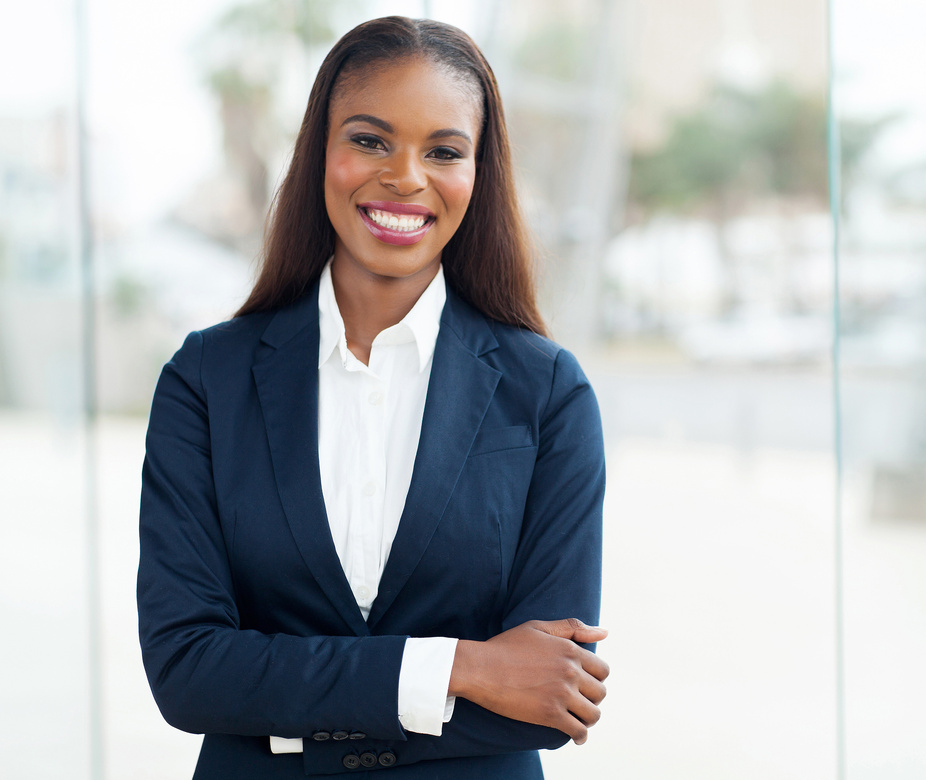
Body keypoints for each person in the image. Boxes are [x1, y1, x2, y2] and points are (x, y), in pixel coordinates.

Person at [136, 16, 608, 780]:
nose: (406, 177)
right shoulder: (205, 381)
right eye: (370, 140)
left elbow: (553, 700)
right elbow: (188, 670)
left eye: (444, 151)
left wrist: (286, 712)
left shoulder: (548, 394)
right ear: (321, 152)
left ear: (478, 174)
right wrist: (464, 668)